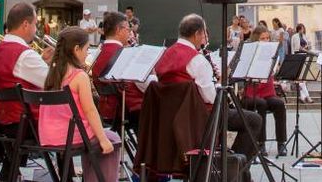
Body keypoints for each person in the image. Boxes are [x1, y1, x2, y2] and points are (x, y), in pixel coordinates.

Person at [154, 14, 262, 178]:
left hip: (171, 119)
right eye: (204, 34)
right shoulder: (197, 60)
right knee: (254, 120)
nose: (205, 39)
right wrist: (220, 82)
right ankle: (233, 170)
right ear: (197, 34)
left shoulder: (164, 55)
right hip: (199, 118)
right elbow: (211, 98)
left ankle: (232, 166)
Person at [0, 2, 53, 181]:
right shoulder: (24, 54)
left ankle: (10, 173)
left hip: (2, 123)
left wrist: (41, 61)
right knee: (77, 120)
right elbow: (53, 84)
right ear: (25, 24)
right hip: (28, 125)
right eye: (35, 24)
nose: (36, 29)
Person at [39, 28, 120, 182]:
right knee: (112, 139)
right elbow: (90, 110)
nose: (87, 53)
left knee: (97, 138)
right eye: (87, 49)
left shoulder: (52, 73)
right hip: (71, 135)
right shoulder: (79, 76)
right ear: (76, 49)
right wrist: (103, 139)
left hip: (48, 135)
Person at [90, 11, 147, 132]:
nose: (130, 32)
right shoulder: (126, 54)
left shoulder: (98, 53)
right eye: (127, 29)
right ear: (118, 30)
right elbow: (143, 84)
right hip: (127, 111)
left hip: (107, 109)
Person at [243, 26, 288, 156]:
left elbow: (273, 72)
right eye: (263, 38)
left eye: (267, 38)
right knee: (261, 104)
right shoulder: (250, 53)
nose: (266, 41)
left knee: (279, 104)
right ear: (256, 39)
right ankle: (260, 143)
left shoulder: (272, 53)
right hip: (251, 93)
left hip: (268, 92)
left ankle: (281, 143)